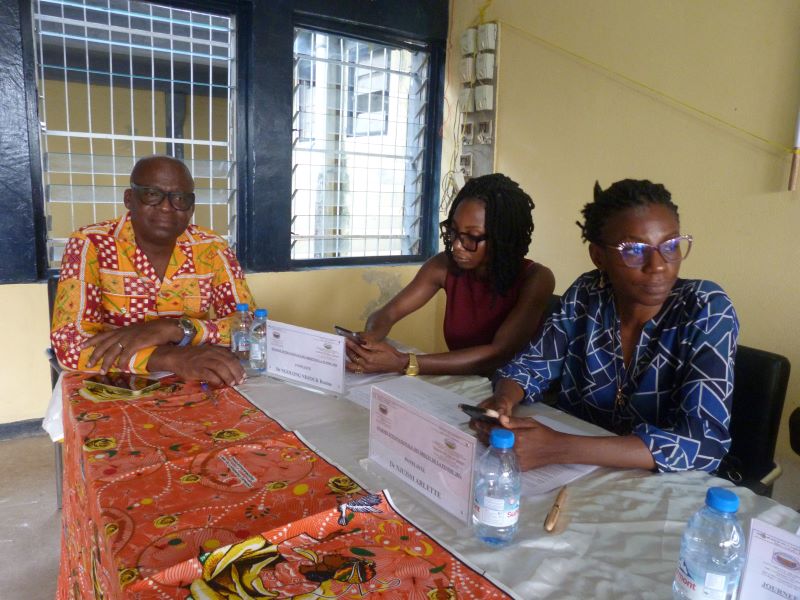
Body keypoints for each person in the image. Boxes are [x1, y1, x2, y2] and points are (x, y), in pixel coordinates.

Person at [474, 179, 738, 473]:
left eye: (671, 245)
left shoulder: (706, 307)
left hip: (657, 484)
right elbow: (530, 366)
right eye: (635, 250)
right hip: (573, 474)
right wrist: (503, 401)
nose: (658, 265)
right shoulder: (587, 294)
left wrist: (558, 448)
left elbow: (705, 442)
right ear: (599, 256)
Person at [50, 155, 254, 387]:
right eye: (152, 194)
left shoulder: (211, 247)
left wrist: (176, 329)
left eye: (180, 198)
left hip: (197, 379)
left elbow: (251, 328)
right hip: (115, 385)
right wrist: (169, 358)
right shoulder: (91, 244)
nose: (166, 207)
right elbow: (70, 344)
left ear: (191, 208)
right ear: (129, 199)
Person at [345, 173, 555, 376]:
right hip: (463, 381)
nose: (456, 245)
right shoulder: (444, 265)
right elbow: (388, 313)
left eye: (472, 236)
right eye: (453, 231)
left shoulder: (537, 278)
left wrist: (403, 362)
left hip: (513, 389)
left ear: (503, 237)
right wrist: (369, 339)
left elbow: (498, 353)